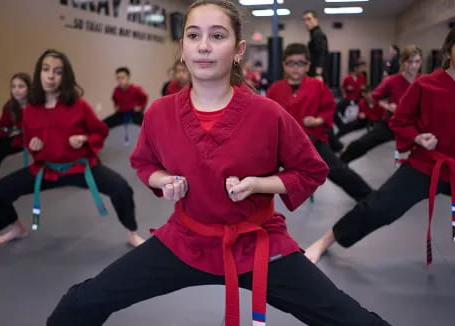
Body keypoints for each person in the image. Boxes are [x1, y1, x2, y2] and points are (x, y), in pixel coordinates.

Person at [46, 2, 390, 325]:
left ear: (238, 50)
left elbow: (311, 170)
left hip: (255, 244)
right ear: (182, 47)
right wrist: (165, 180)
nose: (204, 46)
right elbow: (144, 164)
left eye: (217, 36)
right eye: (193, 35)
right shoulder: (160, 112)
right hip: (184, 240)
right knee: (80, 304)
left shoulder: (267, 114)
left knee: (353, 319)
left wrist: (258, 184)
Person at [305, 25, 455, 264]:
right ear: (448, 51)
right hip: (426, 166)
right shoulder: (425, 85)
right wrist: (418, 137)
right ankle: (325, 241)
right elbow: (400, 120)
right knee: (378, 207)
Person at [0, 50, 144, 247]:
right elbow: (30, 141)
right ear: (38, 73)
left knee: (122, 189)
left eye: (58, 71)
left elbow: (100, 131)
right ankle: (17, 227)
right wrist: (34, 145)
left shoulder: (79, 105)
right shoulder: (31, 110)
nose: (51, 76)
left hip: (81, 168)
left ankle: (132, 233)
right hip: (46, 170)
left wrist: (85, 138)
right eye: (46, 69)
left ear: (64, 76)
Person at [267, 43, 373, 202]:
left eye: (300, 63)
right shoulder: (275, 89)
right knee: (259, 171)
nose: (295, 68)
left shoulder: (318, 86)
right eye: (290, 63)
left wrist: (318, 120)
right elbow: (268, 116)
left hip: (312, 142)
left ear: (308, 65)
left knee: (338, 170)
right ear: (284, 64)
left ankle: (369, 197)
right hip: (282, 146)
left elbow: (329, 107)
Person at [340, 45, 423, 164]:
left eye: (417, 62)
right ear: (402, 62)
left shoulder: (424, 81)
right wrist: (388, 107)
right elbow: (373, 98)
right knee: (361, 143)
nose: (414, 66)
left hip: (414, 127)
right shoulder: (392, 81)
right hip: (391, 124)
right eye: (410, 62)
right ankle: (339, 164)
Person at [302, 10, 329, 84]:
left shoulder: (318, 34)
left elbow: (321, 53)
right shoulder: (313, 34)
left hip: (316, 75)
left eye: (309, 19)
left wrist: (318, 74)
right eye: (304, 20)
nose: (306, 22)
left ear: (316, 19)